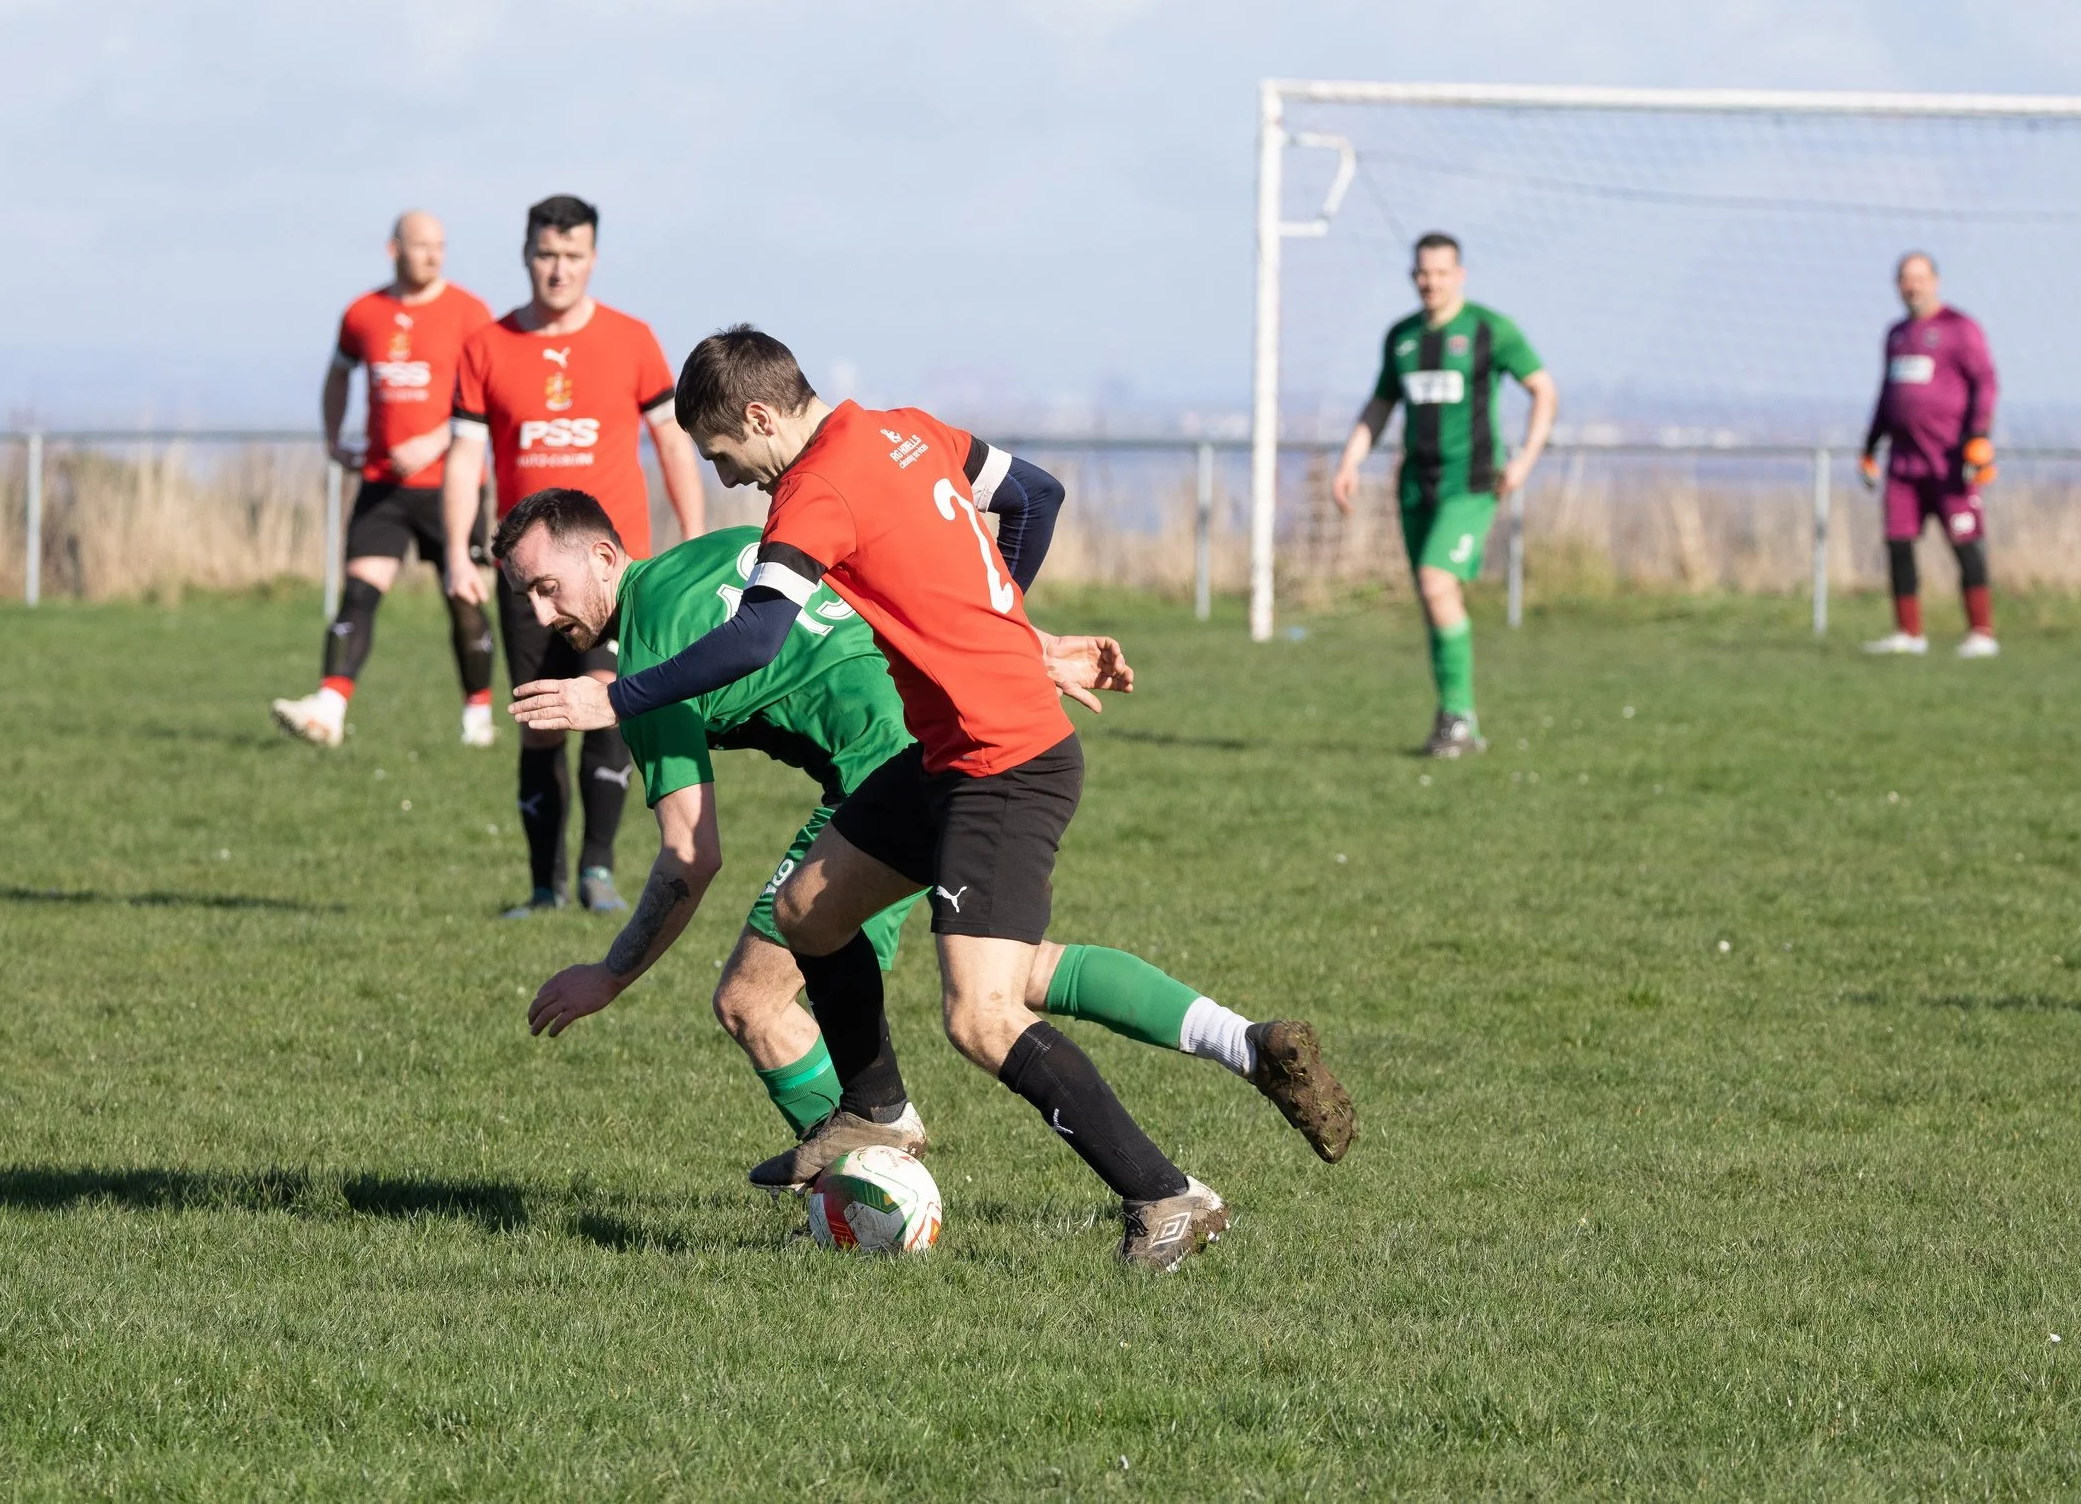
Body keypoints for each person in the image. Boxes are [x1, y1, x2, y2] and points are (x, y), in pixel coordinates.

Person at [511, 328, 1357, 1270]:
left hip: (1003, 763)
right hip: (944, 754)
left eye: (724, 456)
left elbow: (755, 641)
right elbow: (1035, 496)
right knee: (807, 912)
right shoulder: (906, 430)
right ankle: (873, 1111)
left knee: (982, 1014)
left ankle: (1167, 1197)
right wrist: (1002, 631)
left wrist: (616, 694)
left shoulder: (811, 493)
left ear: (758, 417)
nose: (730, 479)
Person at [497, 489, 1308, 1166]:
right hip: (959, 736)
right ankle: (1244, 1041)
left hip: (884, 778)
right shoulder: (734, 545)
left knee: (755, 1001)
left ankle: (877, 1181)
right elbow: (893, 603)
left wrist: (608, 975)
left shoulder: (644, 658)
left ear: (605, 558)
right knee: (1010, 973)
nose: (539, 614)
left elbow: (689, 854)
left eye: (545, 587)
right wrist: (1025, 655)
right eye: (523, 599)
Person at [440, 195, 707, 917]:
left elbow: (672, 442)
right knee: (537, 723)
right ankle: (542, 886)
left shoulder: (632, 340)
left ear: (593, 258)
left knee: (610, 707)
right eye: (546, 254)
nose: (559, 270)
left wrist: (691, 532)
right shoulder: (486, 346)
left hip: (615, 579)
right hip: (528, 582)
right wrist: (458, 555)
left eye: (573, 256)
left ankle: (597, 873)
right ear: (526, 255)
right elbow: (464, 460)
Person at [272, 212, 499, 749]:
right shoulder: (363, 313)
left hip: (452, 486)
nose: (433, 256)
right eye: (422, 246)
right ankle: (328, 710)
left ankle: (478, 721)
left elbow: (489, 400)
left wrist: (435, 440)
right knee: (358, 594)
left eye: (440, 246)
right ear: (393, 248)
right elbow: (337, 373)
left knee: (464, 600)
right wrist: (333, 440)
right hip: (383, 486)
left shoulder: (469, 313)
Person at [1329, 231, 1559, 759]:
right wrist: (1350, 460)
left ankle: (1456, 717)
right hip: (1415, 485)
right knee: (1435, 601)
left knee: (1437, 582)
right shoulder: (1402, 337)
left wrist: (1523, 460)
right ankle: (1459, 719)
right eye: (1421, 273)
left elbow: (1544, 389)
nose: (1429, 282)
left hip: (1472, 482)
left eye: (1439, 272)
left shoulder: (1489, 329)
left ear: (1460, 275)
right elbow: (1382, 403)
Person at [1860, 251, 2001, 659]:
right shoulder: (1896, 335)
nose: (1913, 286)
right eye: (1905, 279)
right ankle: (1909, 633)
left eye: (1919, 277)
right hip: (1904, 464)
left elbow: (1986, 382)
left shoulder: (1960, 328)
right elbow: (1887, 397)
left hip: (1950, 463)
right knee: (1898, 542)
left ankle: (1981, 633)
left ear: (1935, 280)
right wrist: (1870, 448)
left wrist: (1978, 436)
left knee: (1965, 541)